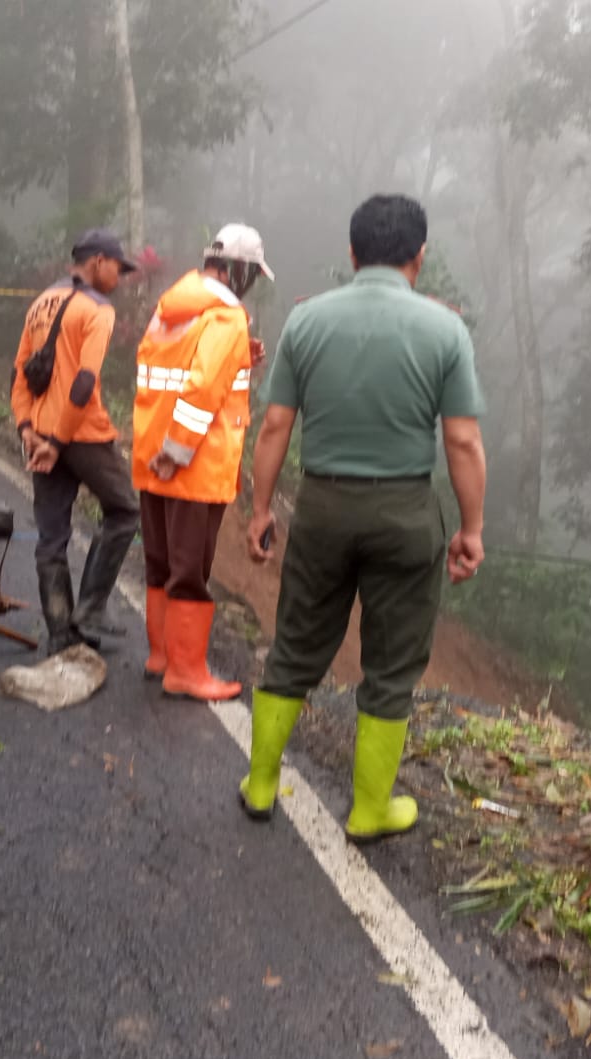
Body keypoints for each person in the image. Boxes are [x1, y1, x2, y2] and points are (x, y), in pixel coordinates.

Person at [237, 194, 488, 842]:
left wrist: (260, 509)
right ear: (419, 256)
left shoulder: (307, 321)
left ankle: (260, 783)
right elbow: (462, 441)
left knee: (296, 646)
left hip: (322, 507)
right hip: (405, 515)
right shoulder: (444, 331)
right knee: (392, 665)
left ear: (352, 253)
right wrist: (471, 530)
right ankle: (370, 809)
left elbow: (274, 424)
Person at [133, 223, 274, 701]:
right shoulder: (227, 318)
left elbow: (168, 369)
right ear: (238, 270)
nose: (251, 284)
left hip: (152, 455)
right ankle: (187, 672)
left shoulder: (173, 306)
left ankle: (161, 656)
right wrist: (179, 452)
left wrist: (238, 357)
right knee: (189, 571)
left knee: (159, 563)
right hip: (194, 465)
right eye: (252, 274)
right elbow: (200, 389)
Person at [10, 228, 141, 656]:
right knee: (124, 510)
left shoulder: (39, 304)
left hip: (42, 433)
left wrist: (28, 430)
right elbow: (84, 382)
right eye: (118, 268)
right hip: (82, 435)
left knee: (51, 538)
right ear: (99, 261)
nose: (119, 277)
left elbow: (19, 374)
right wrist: (59, 440)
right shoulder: (97, 309)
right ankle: (91, 610)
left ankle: (61, 635)